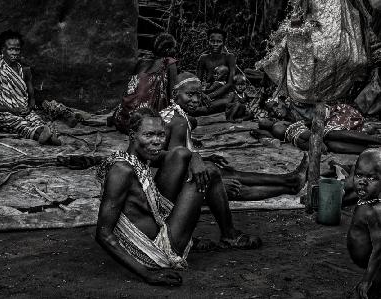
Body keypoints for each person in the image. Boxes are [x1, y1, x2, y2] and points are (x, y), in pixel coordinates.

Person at [96, 108, 261, 286]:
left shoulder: (139, 157)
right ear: (132, 135)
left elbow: (180, 154)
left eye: (161, 135)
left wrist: (196, 158)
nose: (156, 142)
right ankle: (230, 236)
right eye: (149, 135)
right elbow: (103, 234)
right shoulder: (122, 170)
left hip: (157, 226)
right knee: (211, 172)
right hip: (154, 251)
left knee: (182, 155)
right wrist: (147, 275)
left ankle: (209, 235)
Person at [159, 72, 308, 201]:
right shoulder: (179, 122)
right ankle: (289, 187)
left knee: (229, 173)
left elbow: (176, 158)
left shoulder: (173, 114)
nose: (196, 100)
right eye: (190, 94)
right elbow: (177, 164)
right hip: (174, 189)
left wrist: (205, 159)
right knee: (233, 186)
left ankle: (288, 180)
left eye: (198, 94)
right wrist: (217, 181)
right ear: (175, 95)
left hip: (175, 178)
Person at [0, 30, 61, 145]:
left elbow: (31, 97)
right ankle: (47, 137)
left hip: (24, 110)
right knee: (19, 124)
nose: (14, 53)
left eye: (17, 49)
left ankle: (44, 134)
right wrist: (11, 110)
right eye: (11, 49)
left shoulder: (25, 71)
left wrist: (29, 108)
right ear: (2, 50)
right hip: (5, 112)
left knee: (36, 121)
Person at [112, 33, 178, 133]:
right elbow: (173, 95)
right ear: (170, 48)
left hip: (125, 120)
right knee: (187, 121)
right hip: (147, 122)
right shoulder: (169, 63)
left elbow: (132, 90)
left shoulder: (141, 61)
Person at [252, 108, 381, 154]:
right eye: (264, 121)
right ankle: (375, 142)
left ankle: (372, 147)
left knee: (333, 145)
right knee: (333, 137)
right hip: (304, 136)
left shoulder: (278, 127)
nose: (266, 119)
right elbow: (305, 125)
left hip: (303, 138)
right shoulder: (278, 126)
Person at [347, 149, 381, 299]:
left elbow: (379, 249)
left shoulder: (375, 211)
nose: (362, 182)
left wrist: (367, 280)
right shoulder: (367, 199)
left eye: (371, 178)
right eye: (359, 175)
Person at [195, 28, 236, 115]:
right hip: (207, 92)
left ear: (224, 43)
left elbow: (230, 83)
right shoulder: (203, 58)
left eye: (219, 41)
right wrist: (202, 95)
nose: (215, 44)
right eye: (212, 41)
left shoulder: (229, 57)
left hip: (224, 94)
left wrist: (210, 96)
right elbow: (197, 81)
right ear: (208, 41)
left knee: (201, 109)